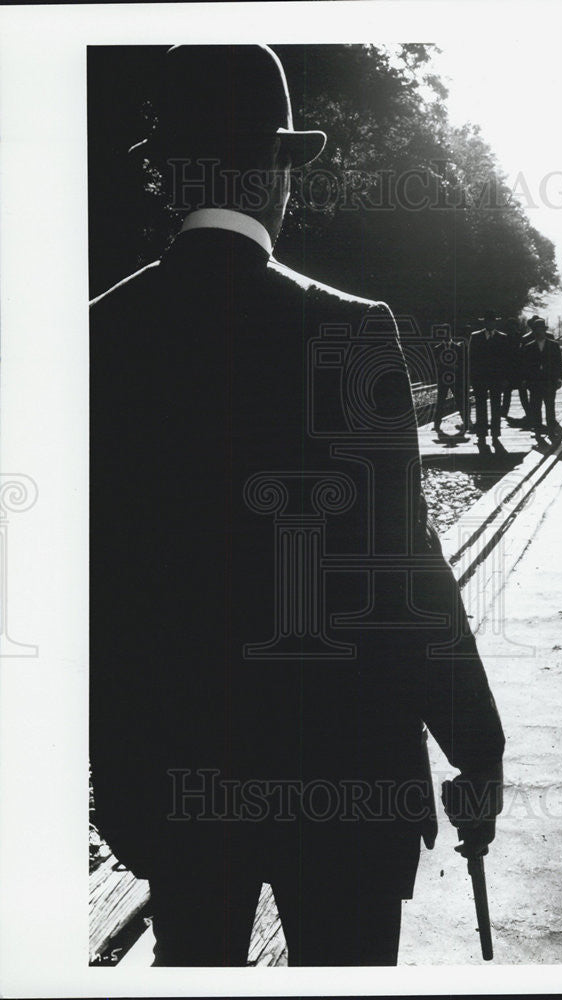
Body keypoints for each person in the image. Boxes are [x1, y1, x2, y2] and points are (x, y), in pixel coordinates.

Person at [90, 45, 504, 968]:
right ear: (277, 172)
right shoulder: (351, 330)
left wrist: (117, 783)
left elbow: (94, 585)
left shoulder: (99, 334)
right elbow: (403, 572)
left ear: (171, 173)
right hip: (346, 778)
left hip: (179, 781)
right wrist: (476, 743)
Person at [468, 310, 513, 451]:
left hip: (496, 378)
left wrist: (506, 378)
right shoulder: (475, 337)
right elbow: (471, 359)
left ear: (495, 322)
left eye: (492, 321)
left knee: (495, 407)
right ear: (484, 322)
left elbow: (507, 360)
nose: (490, 323)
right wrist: (472, 378)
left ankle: (495, 434)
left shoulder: (502, 337)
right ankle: (481, 435)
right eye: (488, 321)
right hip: (480, 378)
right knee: (480, 407)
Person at [520, 317, 562, 435]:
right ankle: (538, 429)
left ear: (544, 331)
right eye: (537, 330)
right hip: (534, 382)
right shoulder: (529, 346)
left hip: (549, 381)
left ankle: (551, 430)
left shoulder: (554, 346)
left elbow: (558, 363)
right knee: (536, 406)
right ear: (534, 331)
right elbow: (525, 365)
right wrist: (525, 379)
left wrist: (559, 378)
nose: (539, 332)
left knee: (550, 406)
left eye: (541, 330)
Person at [432, 330, 468, 434]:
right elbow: (436, 364)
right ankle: (437, 424)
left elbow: (462, 362)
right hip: (443, 379)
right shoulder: (437, 349)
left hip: (455, 378)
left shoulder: (458, 348)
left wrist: (457, 368)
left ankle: (465, 422)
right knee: (440, 401)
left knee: (459, 400)